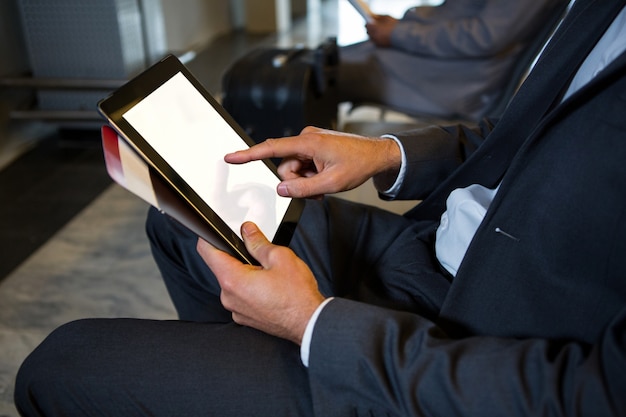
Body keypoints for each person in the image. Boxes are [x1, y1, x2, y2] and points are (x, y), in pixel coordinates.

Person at [14, 0, 626, 415]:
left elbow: (591, 395)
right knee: (181, 219)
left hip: (473, 349)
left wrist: (316, 327)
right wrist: (385, 153)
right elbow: (528, 133)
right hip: (440, 253)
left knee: (57, 365)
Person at [339, 0, 568, 120]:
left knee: (320, 75)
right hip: (437, 63)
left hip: (451, 79)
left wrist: (400, 33)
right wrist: (402, 27)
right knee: (323, 64)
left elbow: (484, 37)